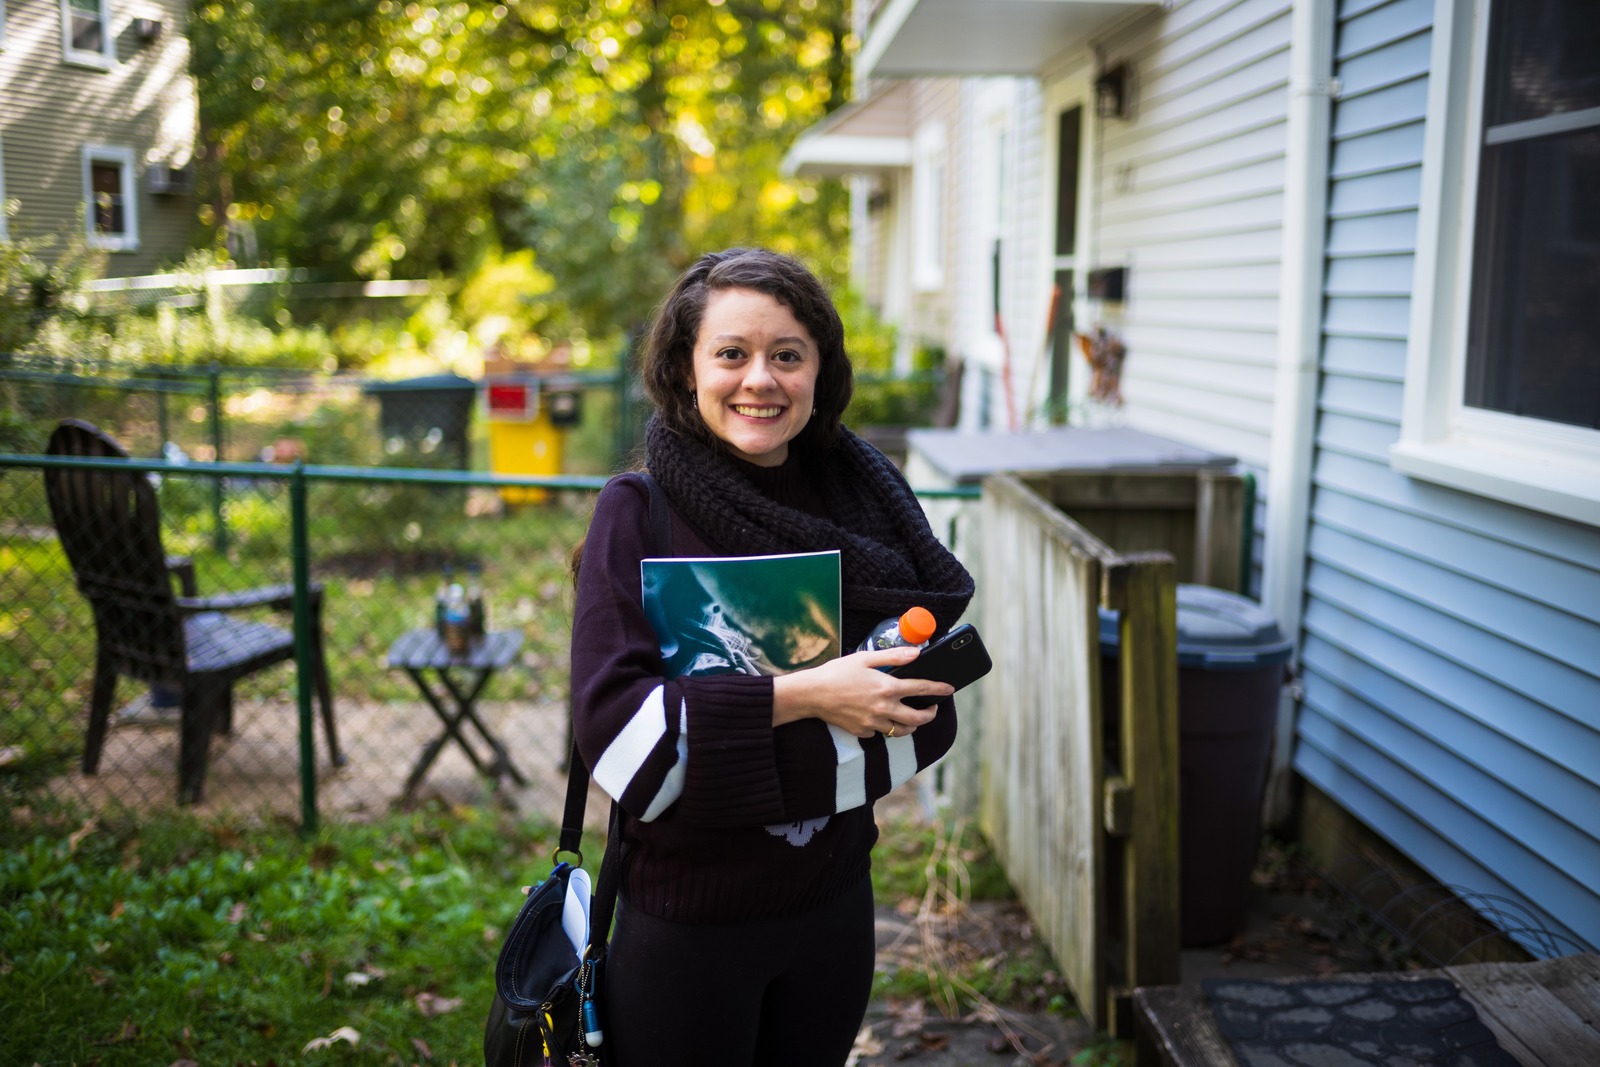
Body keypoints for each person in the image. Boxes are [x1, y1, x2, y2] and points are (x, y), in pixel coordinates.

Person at [570, 248, 975, 1067]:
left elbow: (913, 720)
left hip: (832, 905)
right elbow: (622, 742)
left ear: (820, 370)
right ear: (686, 370)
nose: (761, 379)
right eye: (732, 353)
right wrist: (807, 695)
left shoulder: (859, 505)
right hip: (687, 924)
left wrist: (718, 737)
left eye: (787, 355)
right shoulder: (638, 512)